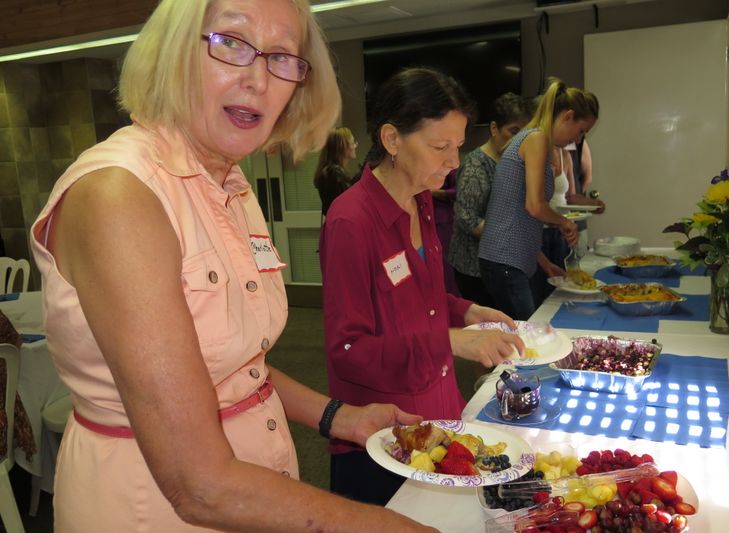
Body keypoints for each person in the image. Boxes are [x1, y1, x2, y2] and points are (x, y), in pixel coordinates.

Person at [28, 1, 436, 531]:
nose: (258, 80)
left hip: (259, 494)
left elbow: (235, 366)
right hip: (151, 508)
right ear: (173, 53)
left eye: (282, 57)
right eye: (231, 43)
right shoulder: (118, 196)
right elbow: (197, 484)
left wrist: (341, 417)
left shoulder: (230, 185)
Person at [319, 67, 526, 506]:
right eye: (440, 147)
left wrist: (467, 311)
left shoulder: (422, 200)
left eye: (458, 146)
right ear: (392, 140)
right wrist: (449, 341)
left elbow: (421, 299)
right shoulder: (350, 222)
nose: (454, 161)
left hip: (439, 412)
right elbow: (348, 351)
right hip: (385, 437)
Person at [479, 77, 599, 320]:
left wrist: (546, 264)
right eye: (581, 131)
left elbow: (519, 218)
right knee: (529, 336)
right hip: (504, 259)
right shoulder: (536, 139)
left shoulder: (535, 139)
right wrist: (563, 221)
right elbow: (534, 207)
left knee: (530, 329)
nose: (578, 140)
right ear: (567, 116)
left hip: (510, 258)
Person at [448, 92, 530, 306]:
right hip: (475, 268)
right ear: (494, 128)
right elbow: (465, 217)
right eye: (513, 131)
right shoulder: (477, 164)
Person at [314, 126, 358, 216]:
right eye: (353, 142)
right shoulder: (334, 173)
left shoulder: (332, 172)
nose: (355, 146)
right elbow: (347, 206)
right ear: (343, 146)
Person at [432, 169, 460, 296]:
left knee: (443, 263)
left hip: (442, 220)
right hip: (420, 217)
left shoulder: (448, 166)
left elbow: (458, 191)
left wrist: (434, 193)